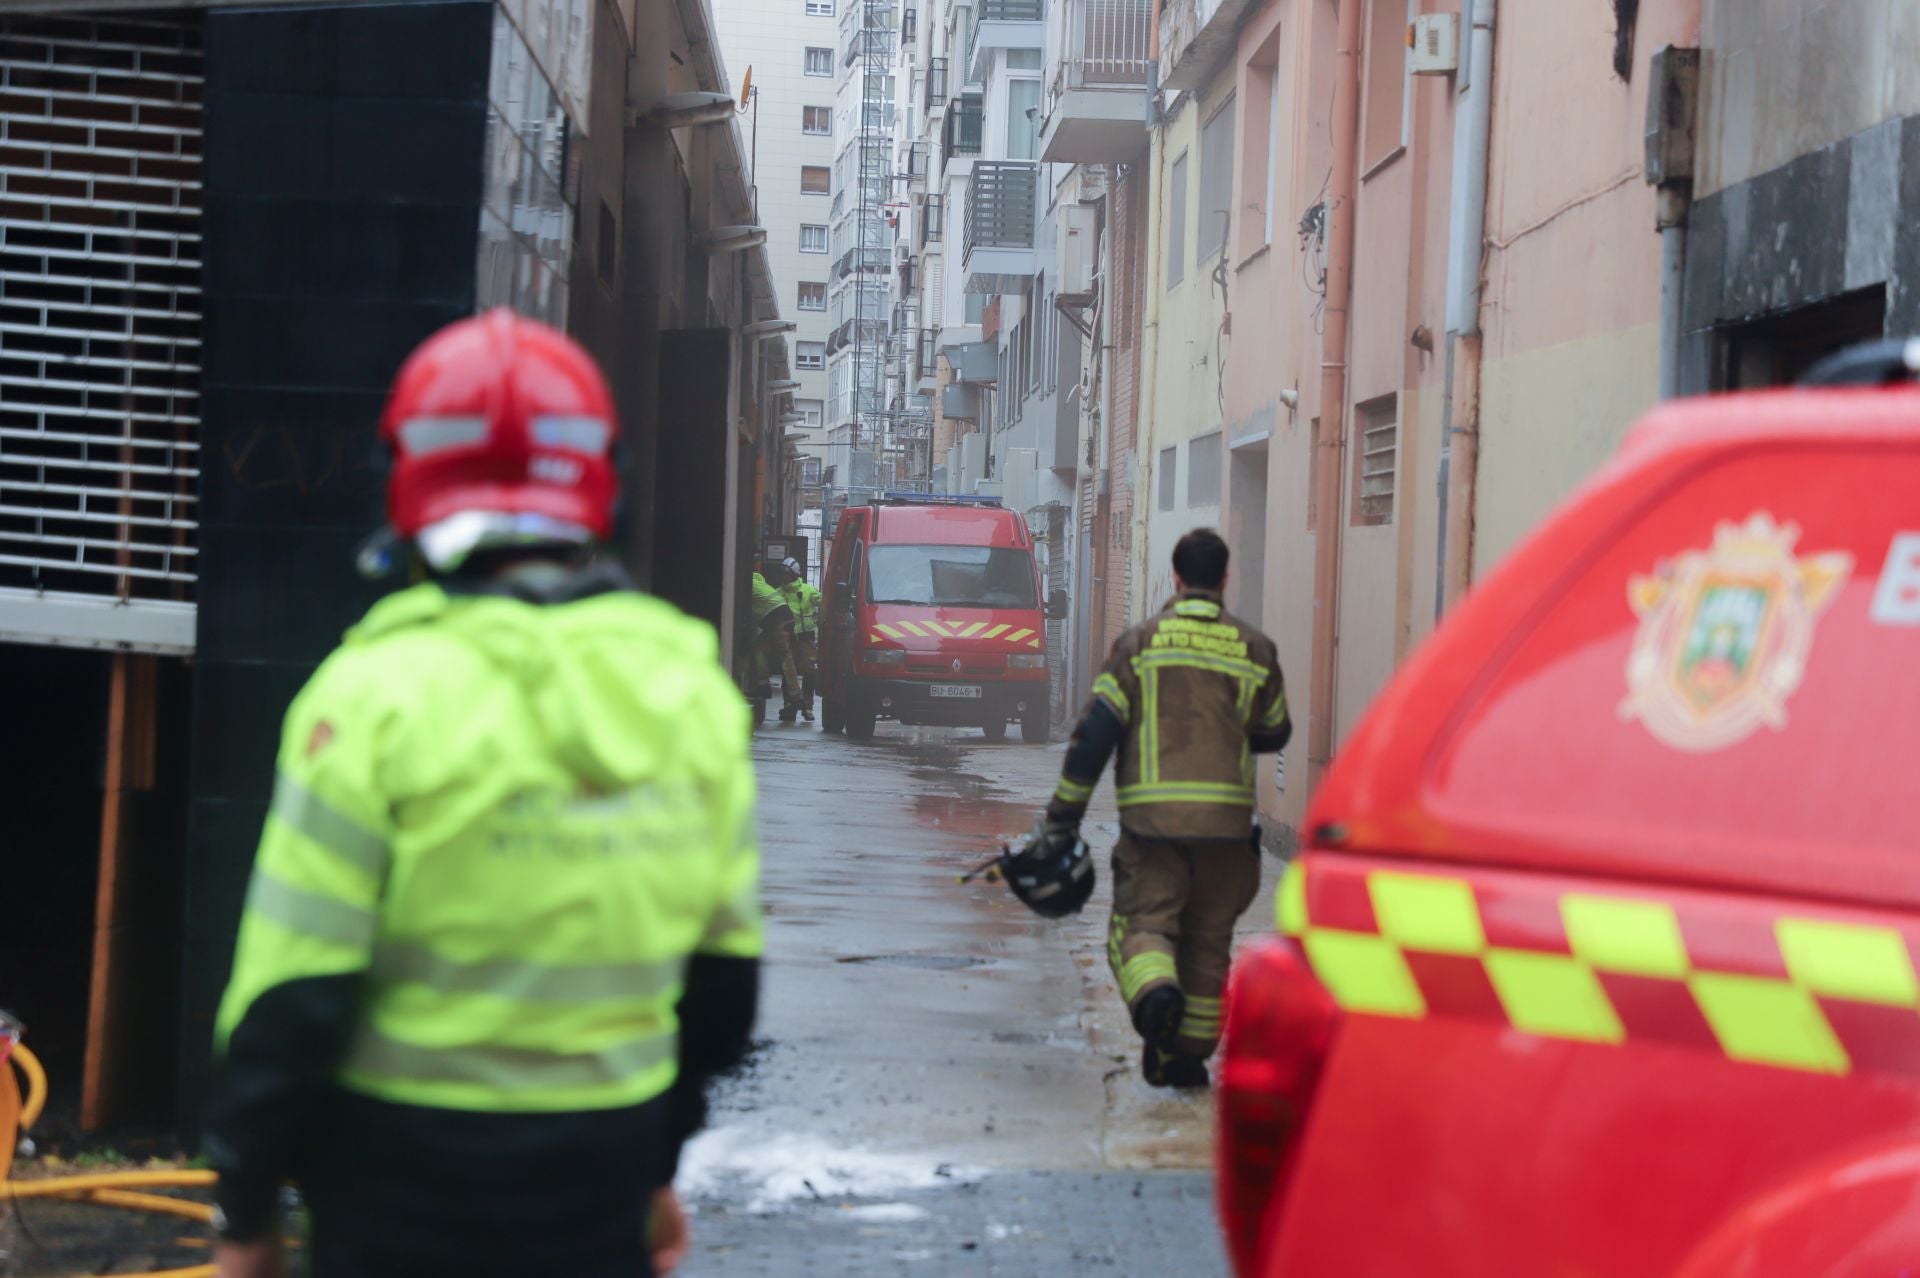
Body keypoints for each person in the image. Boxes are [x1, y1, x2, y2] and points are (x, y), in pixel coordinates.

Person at [204, 310, 761, 1278]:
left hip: (391, 1199)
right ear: (601, 483)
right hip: (601, 1183)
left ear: (409, 481)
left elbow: (289, 1003)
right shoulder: (690, 700)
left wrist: (247, 1213)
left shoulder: (369, 698)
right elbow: (721, 998)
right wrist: (653, 1169)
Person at [1032, 528, 1288, 1088]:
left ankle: (1154, 997)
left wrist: (1062, 820)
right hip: (1228, 836)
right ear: (1224, 580)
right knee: (1207, 944)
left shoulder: (1139, 646)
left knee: (1142, 927)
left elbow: (1094, 738)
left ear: (1175, 578)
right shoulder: (1255, 649)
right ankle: (1188, 1058)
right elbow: (1274, 732)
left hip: (1154, 832)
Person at [750, 563, 805, 724]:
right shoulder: (759, 582)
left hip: (776, 619)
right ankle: (765, 685)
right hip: (783, 616)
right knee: (761, 647)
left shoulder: (749, 585)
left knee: (784, 656)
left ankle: (794, 695)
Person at [779, 556, 822, 723]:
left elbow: (823, 602)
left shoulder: (807, 590)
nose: (784, 577)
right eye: (782, 574)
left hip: (805, 639)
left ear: (795, 574)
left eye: (787, 574)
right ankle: (789, 705)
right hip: (787, 639)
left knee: (809, 672)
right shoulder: (779, 593)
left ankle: (807, 707)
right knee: (787, 673)